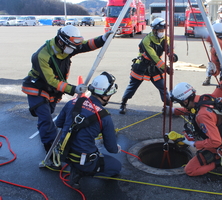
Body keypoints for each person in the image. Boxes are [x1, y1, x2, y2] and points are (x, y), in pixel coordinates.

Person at [21, 25, 113, 159]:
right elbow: (51, 80)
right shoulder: (42, 56)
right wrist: (73, 89)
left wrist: (103, 39)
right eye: (72, 47)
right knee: (46, 118)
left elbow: (85, 45)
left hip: (53, 89)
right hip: (38, 88)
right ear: (61, 42)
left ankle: (45, 131)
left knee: (48, 115)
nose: (75, 50)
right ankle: (51, 151)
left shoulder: (66, 47)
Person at [55, 72, 122, 189]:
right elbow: (111, 148)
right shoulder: (104, 117)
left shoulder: (72, 102)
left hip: (64, 154)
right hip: (85, 161)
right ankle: (81, 172)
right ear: (106, 96)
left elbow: (59, 123)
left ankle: (76, 167)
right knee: (116, 167)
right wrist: (117, 149)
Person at [168, 82, 222, 176]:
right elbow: (192, 110)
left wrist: (194, 144)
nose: (181, 105)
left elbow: (216, 142)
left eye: (180, 103)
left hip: (219, 147)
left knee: (190, 170)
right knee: (186, 134)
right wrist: (173, 111)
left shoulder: (202, 116)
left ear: (185, 101)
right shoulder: (203, 99)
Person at [119, 17, 178, 114]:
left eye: (163, 30)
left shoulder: (165, 38)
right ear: (154, 30)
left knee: (163, 88)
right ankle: (123, 103)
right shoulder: (146, 40)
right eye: (160, 30)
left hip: (155, 68)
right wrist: (165, 68)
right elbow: (153, 57)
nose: (162, 32)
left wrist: (173, 56)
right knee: (132, 86)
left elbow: (169, 49)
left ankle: (167, 106)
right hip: (142, 66)